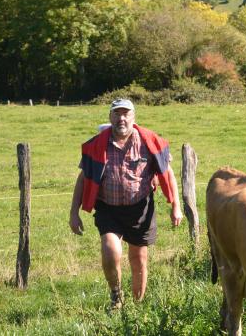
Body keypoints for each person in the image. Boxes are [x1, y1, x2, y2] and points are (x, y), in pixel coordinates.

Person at [69, 99, 182, 310]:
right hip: (108, 209)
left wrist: (176, 206)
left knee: (139, 259)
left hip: (140, 208)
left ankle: (137, 306)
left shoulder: (150, 142)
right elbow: (83, 179)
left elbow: (169, 174)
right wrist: (73, 213)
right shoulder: (96, 145)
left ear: (133, 117)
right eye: (117, 114)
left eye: (126, 114)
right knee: (111, 249)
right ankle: (116, 296)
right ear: (110, 117)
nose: (121, 118)